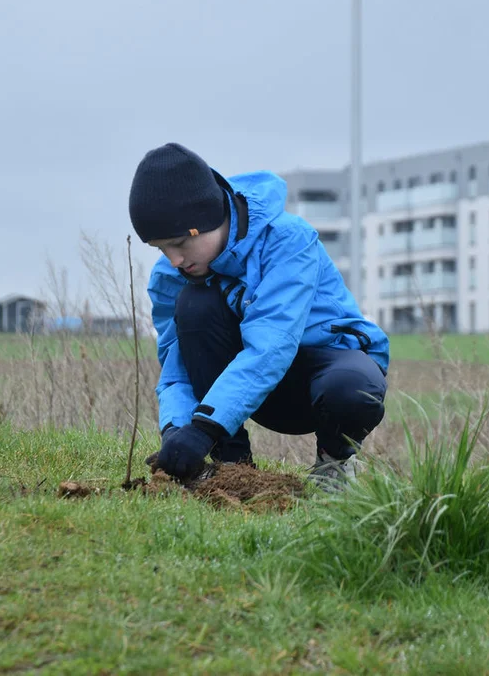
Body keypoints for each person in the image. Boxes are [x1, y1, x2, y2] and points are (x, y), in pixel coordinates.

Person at [128, 143, 389, 488]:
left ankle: (334, 467)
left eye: (179, 243)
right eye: (161, 248)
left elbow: (271, 346)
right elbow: (178, 366)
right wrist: (178, 431)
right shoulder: (170, 276)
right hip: (255, 391)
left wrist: (204, 428)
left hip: (323, 377)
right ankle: (232, 468)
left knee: (352, 389)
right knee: (195, 305)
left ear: (208, 219)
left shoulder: (288, 241)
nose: (173, 259)